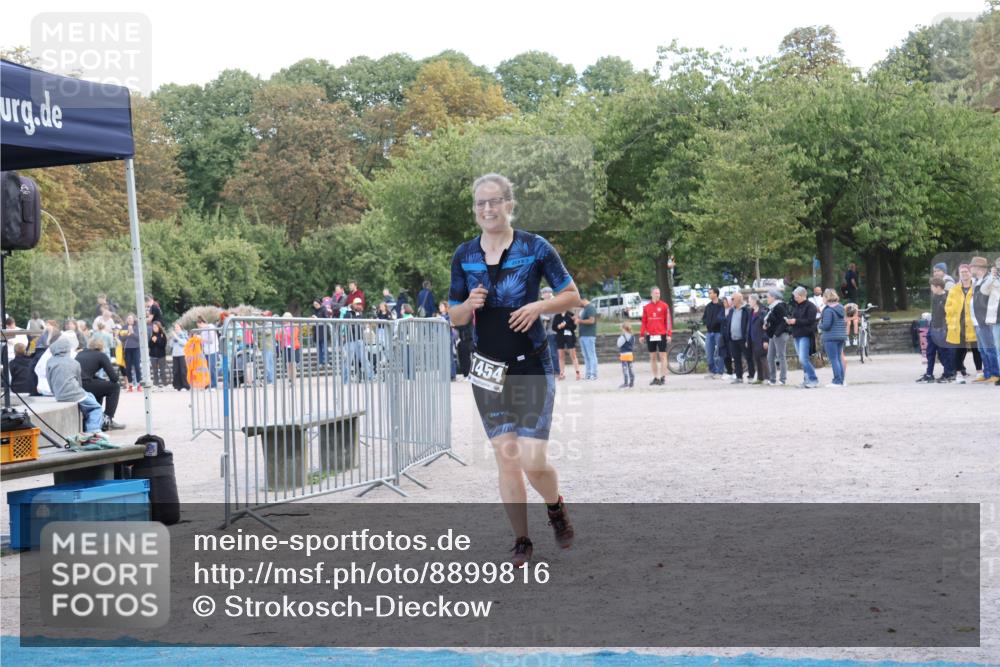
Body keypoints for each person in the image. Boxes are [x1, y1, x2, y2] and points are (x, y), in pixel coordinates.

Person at [447, 172, 578, 567]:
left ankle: (555, 506)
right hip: (487, 369)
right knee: (506, 455)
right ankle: (522, 539)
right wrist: (468, 304)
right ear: (475, 210)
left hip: (531, 364)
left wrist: (539, 306)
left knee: (532, 460)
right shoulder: (464, 255)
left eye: (494, 201)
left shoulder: (535, 247)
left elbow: (573, 295)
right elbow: (453, 316)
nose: (487, 209)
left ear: (509, 204)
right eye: (480, 203)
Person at [46, 333, 105, 436]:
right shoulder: (74, 363)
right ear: (68, 350)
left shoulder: (50, 362)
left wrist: (55, 393)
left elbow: (49, 380)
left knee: (90, 395)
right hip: (74, 393)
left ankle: (90, 423)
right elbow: (79, 383)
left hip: (59, 394)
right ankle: (93, 430)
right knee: (96, 407)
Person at [77, 338, 125, 429]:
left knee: (101, 386)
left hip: (77, 385)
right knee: (115, 387)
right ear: (101, 347)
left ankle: (97, 419)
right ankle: (107, 420)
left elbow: (84, 373)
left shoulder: (80, 353)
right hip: (87, 384)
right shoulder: (101, 355)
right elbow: (114, 378)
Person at [946, 264, 979, 384]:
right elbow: (948, 307)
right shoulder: (954, 289)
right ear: (959, 274)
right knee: (959, 350)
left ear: (971, 273)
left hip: (973, 323)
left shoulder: (976, 288)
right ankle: (959, 373)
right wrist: (950, 321)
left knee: (977, 349)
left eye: (966, 271)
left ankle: (980, 372)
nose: (964, 274)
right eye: (962, 272)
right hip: (958, 324)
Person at [969, 256, 999, 384]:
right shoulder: (977, 280)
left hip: (984, 320)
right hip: (977, 320)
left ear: (979, 268)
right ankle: (987, 372)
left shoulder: (988, 280)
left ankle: (995, 373)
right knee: (982, 349)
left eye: (973, 266)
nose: (971, 268)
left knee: (989, 348)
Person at [919, 277, 955, 383]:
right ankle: (929, 373)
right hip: (933, 327)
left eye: (932, 287)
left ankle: (948, 373)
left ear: (938, 287)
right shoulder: (935, 297)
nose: (931, 289)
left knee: (943, 352)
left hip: (942, 329)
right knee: (929, 351)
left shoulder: (947, 297)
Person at [786, 286, 819, 388]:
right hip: (797, 334)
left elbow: (810, 321)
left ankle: (813, 379)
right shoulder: (797, 306)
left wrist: (796, 321)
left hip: (806, 334)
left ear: (802, 295)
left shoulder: (811, 306)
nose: (795, 298)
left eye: (796, 296)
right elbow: (795, 318)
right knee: (803, 359)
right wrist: (790, 321)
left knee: (803, 359)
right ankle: (806, 380)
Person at [640, 287, 672, 385]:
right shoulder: (646, 307)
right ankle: (655, 377)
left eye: (659, 293)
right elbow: (644, 322)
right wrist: (642, 335)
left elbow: (668, 321)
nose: (658, 295)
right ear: (651, 294)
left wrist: (669, 334)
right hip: (650, 335)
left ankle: (663, 377)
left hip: (661, 334)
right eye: (656, 293)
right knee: (653, 357)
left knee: (663, 356)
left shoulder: (664, 306)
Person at [818, 289, 847, 387]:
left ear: (827, 297)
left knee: (834, 359)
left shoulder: (828, 310)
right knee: (838, 358)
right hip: (841, 336)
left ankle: (837, 381)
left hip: (831, 337)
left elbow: (826, 325)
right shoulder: (840, 307)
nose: (822, 298)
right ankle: (842, 380)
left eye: (823, 297)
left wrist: (819, 325)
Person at [724, 292, 752, 383]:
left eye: (733, 299)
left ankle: (751, 376)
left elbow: (748, 324)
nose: (731, 301)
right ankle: (739, 377)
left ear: (739, 299)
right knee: (736, 358)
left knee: (748, 357)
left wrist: (747, 337)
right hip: (733, 338)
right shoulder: (732, 310)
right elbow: (728, 322)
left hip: (743, 338)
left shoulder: (746, 310)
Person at [763, 289, 789, 386]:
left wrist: (777, 333)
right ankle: (772, 378)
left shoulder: (780, 306)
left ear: (774, 297)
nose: (767, 299)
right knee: (770, 357)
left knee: (781, 356)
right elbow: (772, 320)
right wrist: (767, 325)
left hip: (779, 334)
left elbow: (784, 321)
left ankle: (782, 379)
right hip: (773, 334)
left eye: (768, 297)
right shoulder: (772, 307)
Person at [701, 287, 726, 378]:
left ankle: (720, 372)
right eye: (709, 293)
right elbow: (704, 317)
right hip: (709, 332)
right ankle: (712, 371)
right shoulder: (708, 306)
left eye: (710, 293)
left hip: (719, 332)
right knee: (709, 353)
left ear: (716, 294)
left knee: (720, 352)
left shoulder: (721, 305)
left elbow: (723, 317)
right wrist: (705, 322)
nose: (709, 294)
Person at [552, 309, 580, 380]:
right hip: (560, 337)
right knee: (561, 356)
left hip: (569, 336)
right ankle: (562, 373)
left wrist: (566, 325)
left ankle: (577, 372)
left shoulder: (570, 314)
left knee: (573, 355)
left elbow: (574, 327)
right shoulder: (557, 316)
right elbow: (554, 327)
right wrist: (558, 327)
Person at [576, 295, 599, 380]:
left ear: (583, 299)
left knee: (591, 355)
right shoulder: (585, 309)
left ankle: (594, 374)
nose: (578, 304)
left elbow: (591, 320)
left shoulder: (590, 308)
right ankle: (588, 374)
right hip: (583, 335)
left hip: (589, 335)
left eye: (579, 302)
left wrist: (579, 321)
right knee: (586, 356)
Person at [539, 287, 561, 375]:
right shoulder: (545, 303)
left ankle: (556, 370)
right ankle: (550, 370)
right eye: (542, 293)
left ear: (549, 293)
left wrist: (543, 317)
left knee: (553, 352)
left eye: (544, 293)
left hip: (552, 332)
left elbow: (552, 316)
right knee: (546, 353)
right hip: (544, 332)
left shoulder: (553, 303)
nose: (543, 295)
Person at [748, 294, 769, 385]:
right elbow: (749, 326)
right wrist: (747, 339)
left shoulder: (762, 312)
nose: (749, 302)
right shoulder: (751, 311)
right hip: (753, 338)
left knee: (763, 358)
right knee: (756, 358)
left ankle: (767, 378)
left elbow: (766, 327)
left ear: (755, 301)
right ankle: (760, 377)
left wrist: (765, 340)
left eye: (750, 301)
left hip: (761, 338)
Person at [276, 313, 302, 384]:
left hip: (294, 348)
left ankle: (293, 380)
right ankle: (290, 379)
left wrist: (285, 332)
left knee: (293, 365)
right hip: (285, 348)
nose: (285, 321)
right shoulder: (282, 327)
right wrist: (279, 332)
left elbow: (293, 337)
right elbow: (278, 338)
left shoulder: (295, 327)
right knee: (288, 364)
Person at [119, 313, 142, 392]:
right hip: (127, 349)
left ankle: (139, 384)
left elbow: (139, 338)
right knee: (128, 368)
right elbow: (121, 338)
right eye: (128, 318)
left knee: (137, 367)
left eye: (131, 318)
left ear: (133, 319)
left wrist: (133, 333)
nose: (129, 320)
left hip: (136, 349)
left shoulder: (137, 327)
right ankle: (130, 385)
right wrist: (128, 334)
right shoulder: (124, 327)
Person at [197, 316, 220, 390]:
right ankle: (208, 385)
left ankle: (214, 385)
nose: (199, 327)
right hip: (206, 352)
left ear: (202, 323)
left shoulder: (210, 327)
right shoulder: (203, 330)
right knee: (206, 369)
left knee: (212, 368)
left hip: (213, 351)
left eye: (199, 326)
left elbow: (211, 340)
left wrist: (201, 339)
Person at [170, 323, 190, 391]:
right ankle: (177, 386)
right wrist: (173, 338)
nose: (176, 328)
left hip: (182, 354)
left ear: (180, 327)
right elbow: (171, 345)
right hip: (175, 355)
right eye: (175, 327)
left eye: (177, 327)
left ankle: (185, 386)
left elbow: (185, 343)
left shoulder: (183, 334)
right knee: (175, 371)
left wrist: (177, 337)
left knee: (183, 371)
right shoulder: (174, 335)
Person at [148, 320, 168, 389]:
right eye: (153, 327)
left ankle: (164, 384)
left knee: (162, 370)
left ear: (159, 327)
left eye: (156, 327)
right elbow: (150, 346)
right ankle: (156, 384)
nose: (154, 328)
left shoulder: (162, 335)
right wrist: (152, 341)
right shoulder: (151, 335)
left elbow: (163, 345)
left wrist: (156, 341)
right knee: (155, 371)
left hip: (161, 356)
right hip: (153, 356)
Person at [616, 322, 635, 388]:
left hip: (624, 354)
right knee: (630, 368)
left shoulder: (623, 336)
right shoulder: (632, 336)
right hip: (630, 354)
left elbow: (618, 344)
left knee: (625, 369)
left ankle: (626, 383)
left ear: (624, 329)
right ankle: (632, 382)